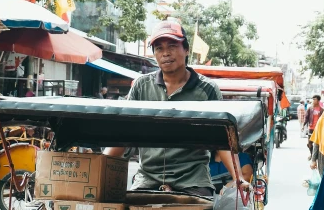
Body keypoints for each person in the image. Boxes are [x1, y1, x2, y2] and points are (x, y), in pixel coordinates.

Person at [104, 20, 249, 195]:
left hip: (193, 180)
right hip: (149, 178)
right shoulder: (141, 86)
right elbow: (123, 135)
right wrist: (98, 168)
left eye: (172, 46)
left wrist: (238, 178)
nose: (165, 53)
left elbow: (222, 141)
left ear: (186, 49)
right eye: (159, 48)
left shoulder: (207, 90)